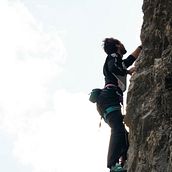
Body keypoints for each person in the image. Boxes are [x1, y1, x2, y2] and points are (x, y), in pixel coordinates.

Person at [96, 38, 142, 172]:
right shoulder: (113, 56)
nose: (123, 45)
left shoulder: (118, 60)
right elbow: (114, 67)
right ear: (117, 46)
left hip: (108, 100)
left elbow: (128, 61)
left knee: (123, 132)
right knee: (117, 128)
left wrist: (141, 47)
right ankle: (112, 165)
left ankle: (123, 161)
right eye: (121, 43)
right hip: (109, 97)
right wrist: (127, 72)